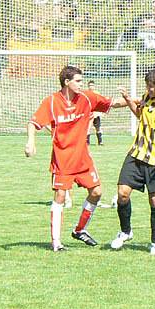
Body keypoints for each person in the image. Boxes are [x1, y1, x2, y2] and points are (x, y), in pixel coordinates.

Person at [25, 66, 127, 252]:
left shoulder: (87, 97)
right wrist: (31, 142)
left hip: (83, 160)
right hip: (62, 160)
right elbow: (33, 123)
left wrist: (137, 100)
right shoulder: (52, 102)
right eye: (78, 81)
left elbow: (113, 103)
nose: (81, 84)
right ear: (67, 82)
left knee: (96, 192)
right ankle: (56, 242)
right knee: (61, 196)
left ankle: (80, 230)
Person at [110, 69, 155, 255]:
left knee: (154, 200)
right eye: (147, 86)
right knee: (122, 193)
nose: (148, 89)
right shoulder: (147, 97)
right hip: (136, 153)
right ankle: (125, 232)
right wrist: (128, 99)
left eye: (151, 86)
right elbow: (139, 115)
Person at [86, 80, 104, 146]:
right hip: (89, 113)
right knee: (88, 127)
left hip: (96, 113)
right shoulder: (86, 94)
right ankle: (87, 142)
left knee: (98, 127)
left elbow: (101, 103)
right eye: (90, 86)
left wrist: (101, 112)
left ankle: (100, 142)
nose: (91, 87)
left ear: (94, 86)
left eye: (92, 85)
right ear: (88, 86)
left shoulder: (97, 93)